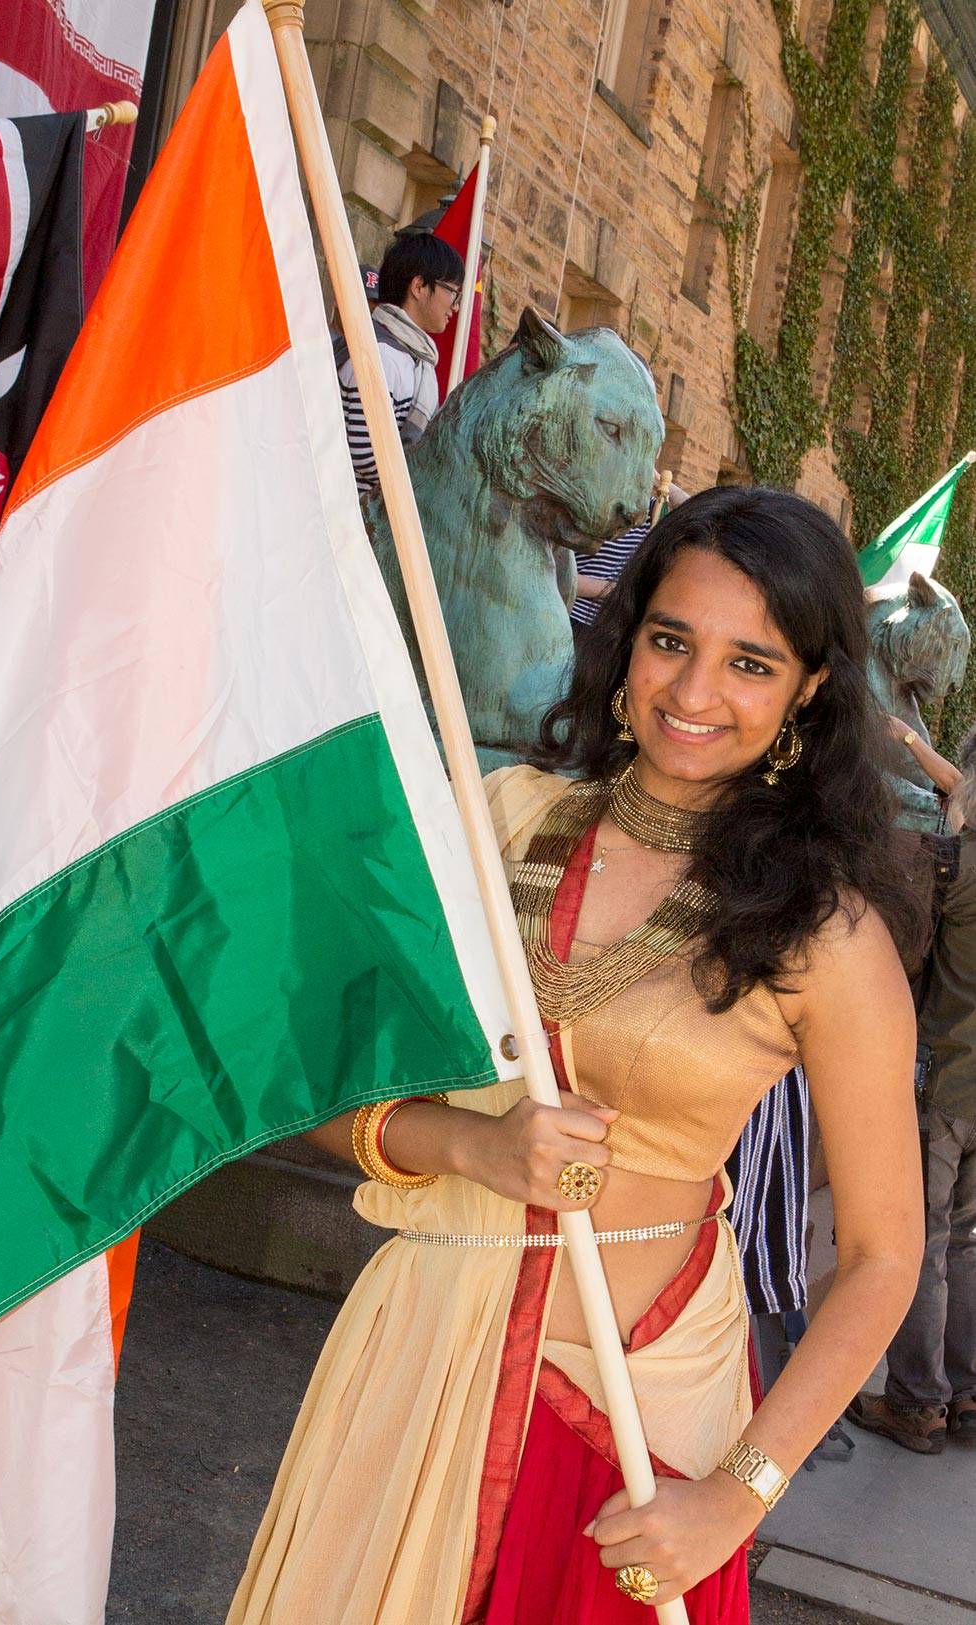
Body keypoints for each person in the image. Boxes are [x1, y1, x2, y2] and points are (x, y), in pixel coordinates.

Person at [229, 486, 925, 1624]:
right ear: (625, 641)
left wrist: (736, 1494)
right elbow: (315, 1074)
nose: (694, 693)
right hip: (416, 1364)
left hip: (634, 1417)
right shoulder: (491, 819)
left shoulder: (825, 932)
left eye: (750, 662)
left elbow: (885, 1255)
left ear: (809, 687)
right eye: (670, 641)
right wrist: (468, 1141)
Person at [848, 725, 976, 1453]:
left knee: (923, 1239)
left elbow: (905, 957)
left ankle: (916, 1401)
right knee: (967, 1239)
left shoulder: (955, 867)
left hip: (947, 1078)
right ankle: (966, 1391)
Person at [338, 232, 464, 495]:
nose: (456, 307)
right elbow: (367, 454)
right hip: (351, 516)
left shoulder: (412, 359)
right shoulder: (382, 355)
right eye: (452, 292)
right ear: (419, 287)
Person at [570, 472, 689, 632]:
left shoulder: (652, 510)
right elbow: (561, 575)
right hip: (575, 618)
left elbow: (700, 509)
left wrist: (657, 479)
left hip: (618, 629)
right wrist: (618, 590)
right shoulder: (584, 502)